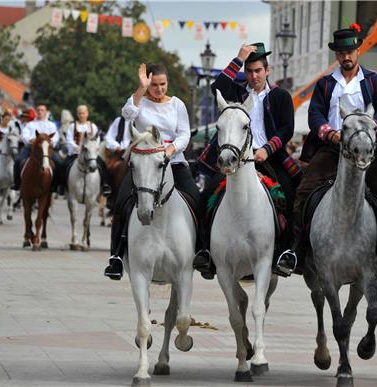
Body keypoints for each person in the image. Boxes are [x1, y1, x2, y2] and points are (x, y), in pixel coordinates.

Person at [277, 24, 377, 285]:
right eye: (342, 53)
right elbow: (315, 114)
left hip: (365, 150)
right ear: (336, 55)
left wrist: (371, 127)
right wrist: (329, 133)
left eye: (351, 52)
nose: (346, 57)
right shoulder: (325, 84)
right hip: (332, 149)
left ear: (358, 51)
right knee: (303, 192)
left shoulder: (373, 81)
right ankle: (297, 250)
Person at [193, 42, 301, 279]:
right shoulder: (238, 93)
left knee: (293, 195)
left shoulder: (281, 95)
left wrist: (266, 149)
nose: (253, 76)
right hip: (236, 158)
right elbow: (217, 87)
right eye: (249, 71)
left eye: (258, 71)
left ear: (267, 71)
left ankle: (288, 253)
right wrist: (237, 59)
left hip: (268, 158)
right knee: (207, 195)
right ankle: (205, 252)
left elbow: (286, 129)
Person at [104, 63, 200, 279]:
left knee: (196, 198)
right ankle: (116, 257)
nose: (159, 89)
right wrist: (140, 89)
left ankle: (202, 251)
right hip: (144, 163)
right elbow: (127, 115)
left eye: (162, 84)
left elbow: (184, 134)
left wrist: (170, 150)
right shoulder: (140, 103)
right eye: (154, 85)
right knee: (121, 202)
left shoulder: (177, 105)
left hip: (172, 161)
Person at [59, 105, 111, 195]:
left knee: (103, 165)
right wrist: (75, 147)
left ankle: (104, 185)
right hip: (76, 153)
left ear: (87, 114)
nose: (81, 115)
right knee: (63, 164)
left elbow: (97, 139)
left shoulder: (93, 126)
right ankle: (62, 186)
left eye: (83, 113)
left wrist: (93, 149)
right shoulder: (72, 126)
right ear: (77, 114)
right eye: (79, 113)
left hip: (90, 154)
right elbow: (69, 139)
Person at [12, 104, 59, 190]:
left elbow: (56, 136)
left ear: (46, 112)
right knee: (18, 160)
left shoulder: (51, 125)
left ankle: (55, 185)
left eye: (42, 110)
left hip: (46, 149)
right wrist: (30, 140)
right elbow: (24, 135)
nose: (40, 112)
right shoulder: (30, 124)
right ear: (36, 112)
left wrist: (50, 142)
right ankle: (17, 183)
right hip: (31, 148)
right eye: (38, 110)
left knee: (58, 162)